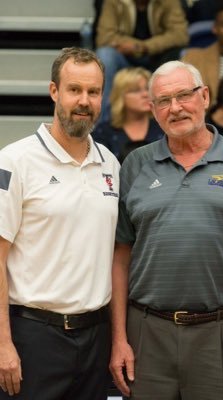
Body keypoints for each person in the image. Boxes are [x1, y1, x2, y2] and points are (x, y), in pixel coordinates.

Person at [109, 60, 223, 400]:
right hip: (147, 333)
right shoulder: (135, 164)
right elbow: (119, 258)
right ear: (153, 109)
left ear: (204, 96)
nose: (175, 108)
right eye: (163, 101)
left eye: (184, 95)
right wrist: (119, 339)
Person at [0, 47, 120, 399]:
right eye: (74, 90)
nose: (84, 101)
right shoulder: (14, 161)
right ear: (54, 91)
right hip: (33, 337)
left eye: (93, 92)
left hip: (96, 338)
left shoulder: (111, 164)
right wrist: (3, 343)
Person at [96, 0, 189, 122]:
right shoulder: (114, 2)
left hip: (160, 59)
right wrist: (138, 48)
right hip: (125, 59)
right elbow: (104, 37)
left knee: (187, 55)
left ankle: (176, 117)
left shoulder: (169, 2)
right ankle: (101, 124)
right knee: (105, 54)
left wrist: (143, 47)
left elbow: (180, 35)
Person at [92, 66, 164, 163]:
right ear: (120, 97)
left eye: (147, 88)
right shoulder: (104, 132)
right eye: (136, 90)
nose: (145, 94)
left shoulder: (163, 126)